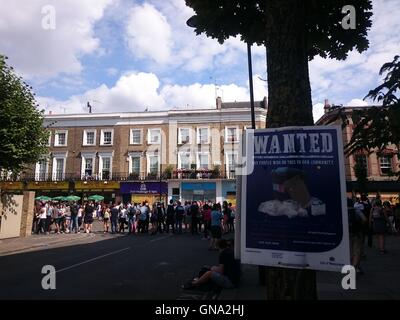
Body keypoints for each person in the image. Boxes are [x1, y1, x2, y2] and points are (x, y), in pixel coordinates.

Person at [348, 198, 366, 274]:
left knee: (349, 250)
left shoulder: (342, 211)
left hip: (347, 234)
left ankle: (349, 265)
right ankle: (355, 266)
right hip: (357, 233)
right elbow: (365, 219)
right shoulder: (356, 210)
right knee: (357, 250)